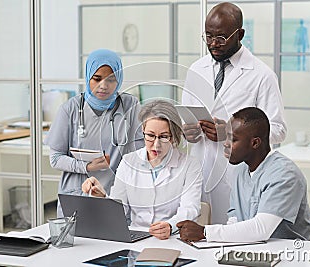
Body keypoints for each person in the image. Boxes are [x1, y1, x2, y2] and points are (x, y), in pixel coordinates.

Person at [181, 2, 287, 224]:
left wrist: (230, 132)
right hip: (198, 172)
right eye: (208, 36)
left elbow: (278, 130)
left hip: (237, 176)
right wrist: (187, 132)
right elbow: (187, 119)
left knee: (234, 243)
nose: (213, 44)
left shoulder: (262, 75)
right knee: (196, 238)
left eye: (221, 38)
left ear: (240, 34)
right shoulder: (195, 70)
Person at [177, 107, 310, 242]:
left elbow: (261, 229)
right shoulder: (241, 170)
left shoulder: (285, 174)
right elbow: (235, 219)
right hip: (252, 250)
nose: (225, 144)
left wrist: (205, 232)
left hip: (288, 254)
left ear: (255, 143)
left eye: (233, 139)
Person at [82, 100, 202, 240]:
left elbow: (190, 208)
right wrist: (101, 197)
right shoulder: (128, 161)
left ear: (174, 136)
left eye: (163, 137)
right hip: (135, 237)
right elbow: (119, 210)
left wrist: (170, 225)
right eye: (150, 135)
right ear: (143, 131)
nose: (156, 145)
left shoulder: (190, 165)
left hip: (172, 238)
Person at [45, 49, 144, 217]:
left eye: (111, 80)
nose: (103, 86)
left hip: (115, 195)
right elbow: (55, 159)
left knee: (116, 241)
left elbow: (141, 152)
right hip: (78, 196)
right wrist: (86, 167)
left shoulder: (129, 105)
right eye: (97, 78)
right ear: (88, 76)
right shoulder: (71, 109)